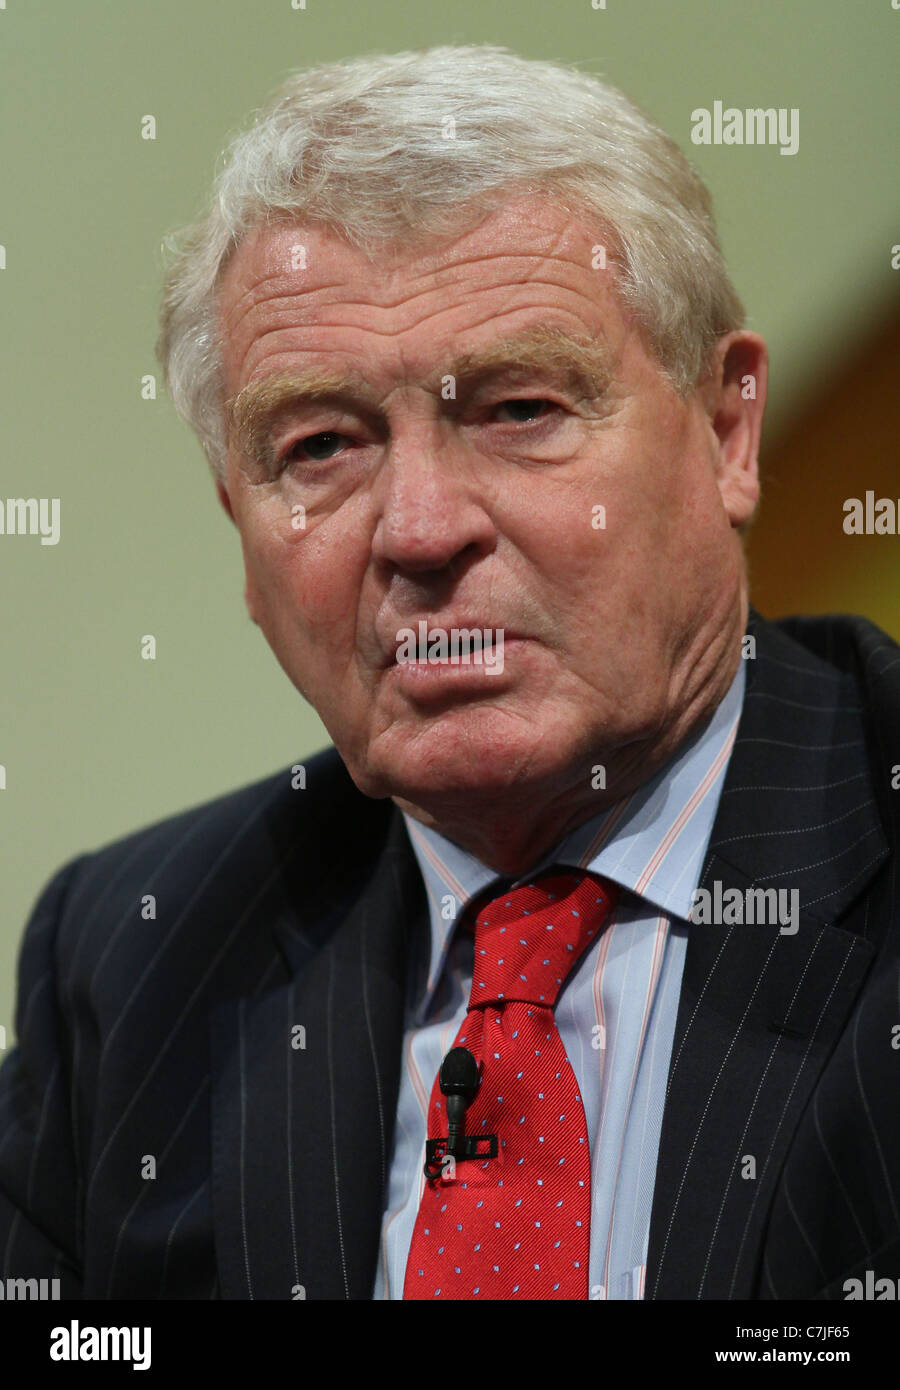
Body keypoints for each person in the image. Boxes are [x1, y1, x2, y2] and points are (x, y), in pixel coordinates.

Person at [1, 44, 897, 1302]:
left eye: (520, 410)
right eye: (320, 444)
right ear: (239, 529)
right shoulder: (131, 961)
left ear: (726, 430)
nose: (419, 531)